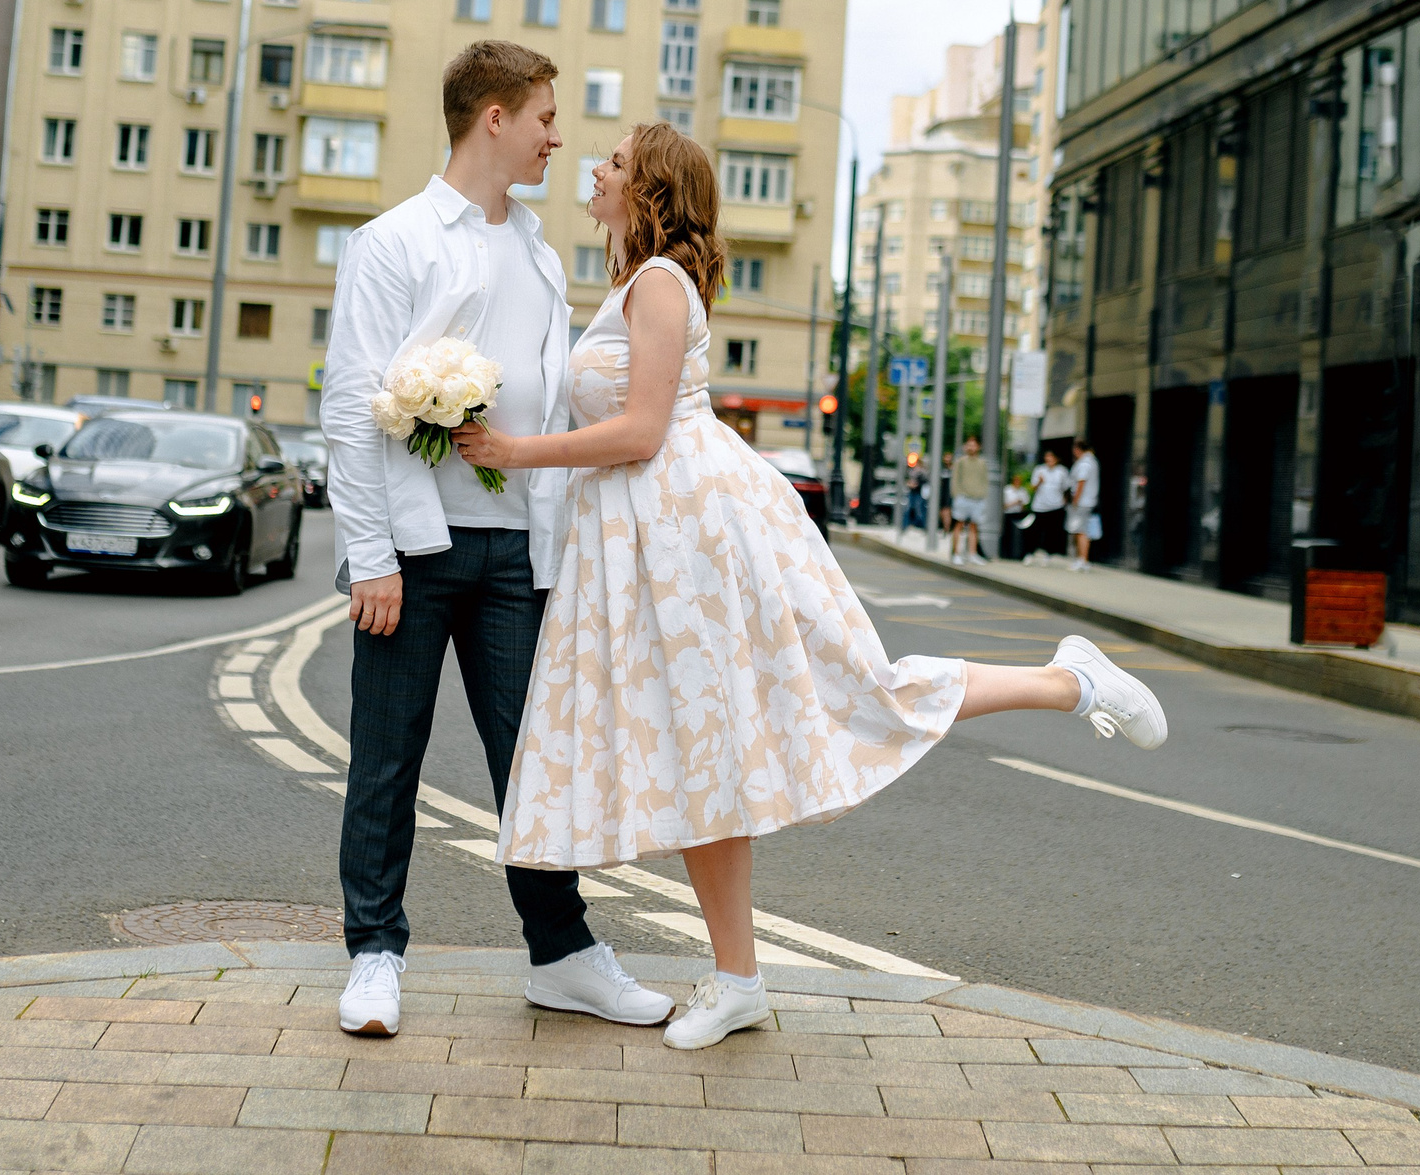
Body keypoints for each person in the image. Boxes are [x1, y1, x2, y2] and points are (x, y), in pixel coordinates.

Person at [456, 124, 1169, 1051]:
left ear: (652, 189)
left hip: (692, 540)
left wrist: (512, 451)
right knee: (701, 756)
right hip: (655, 544)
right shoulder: (638, 280)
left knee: (845, 701)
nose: (597, 167)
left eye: (617, 162)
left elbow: (642, 431)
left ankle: (1070, 681)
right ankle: (738, 981)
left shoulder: (660, 281)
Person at [320, 40, 669, 1043]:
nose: (558, 138)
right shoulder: (393, 243)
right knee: (387, 759)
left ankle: (561, 955)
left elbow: (551, 402)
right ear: (496, 118)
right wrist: (372, 556)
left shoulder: (542, 254)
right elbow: (350, 406)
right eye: (547, 117)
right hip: (415, 553)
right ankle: (374, 952)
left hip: (520, 554)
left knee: (534, 760)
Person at [1023, 445, 1071, 564]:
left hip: (1055, 506)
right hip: (1040, 506)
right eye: (1047, 457)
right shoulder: (1040, 470)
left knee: (1051, 532)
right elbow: (1033, 487)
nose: (1048, 459)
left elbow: (1066, 488)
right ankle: (1030, 553)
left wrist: (1064, 501)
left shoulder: (1062, 471)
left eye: (1051, 457)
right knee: (1035, 531)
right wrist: (1039, 482)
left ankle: (1048, 554)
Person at [948, 435, 989, 565]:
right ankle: (956, 553)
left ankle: (972, 554)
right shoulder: (960, 461)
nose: (971, 447)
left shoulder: (982, 463)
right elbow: (955, 479)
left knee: (974, 526)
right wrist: (957, 494)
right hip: (963, 497)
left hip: (977, 498)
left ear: (978, 447)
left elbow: (984, 480)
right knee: (959, 525)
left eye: (973, 445)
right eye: (969, 445)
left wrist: (982, 494)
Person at [1068, 440, 1103, 572]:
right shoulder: (1093, 461)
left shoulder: (1084, 463)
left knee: (1080, 531)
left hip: (1082, 502)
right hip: (1088, 501)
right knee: (1083, 531)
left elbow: (1081, 483)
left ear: (1078, 449)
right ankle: (1082, 559)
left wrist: (1075, 501)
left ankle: (1082, 560)